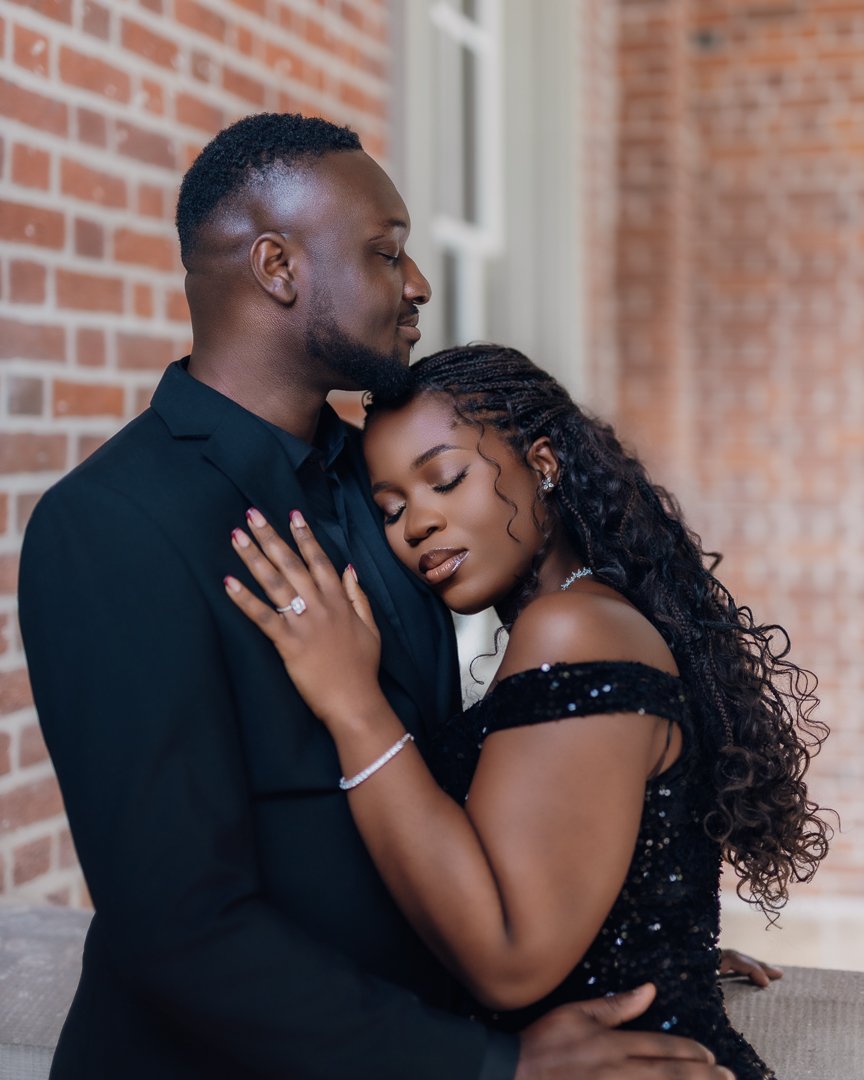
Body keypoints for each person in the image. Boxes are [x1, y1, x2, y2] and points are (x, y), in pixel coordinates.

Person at [17, 113, 737, 1080]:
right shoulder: (112, 524)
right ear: (278, 268)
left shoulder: (392, 489)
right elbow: (180, 928)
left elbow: (503, 768)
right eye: (386, 251)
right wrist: (488, 1066)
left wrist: (634, 934)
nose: (419, 283)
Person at [223, 344, 832, 1080]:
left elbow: (507, 960)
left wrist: (353, 705)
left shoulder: (572, 628)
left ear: (543, 464)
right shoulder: (593, 618)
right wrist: (658, 947)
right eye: (391, 509)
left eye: (445, 479)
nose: (416, 525)